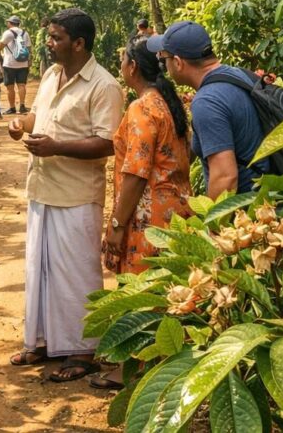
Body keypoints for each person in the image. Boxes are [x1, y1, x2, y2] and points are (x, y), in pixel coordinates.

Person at [7, 8, 125, 382]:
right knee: (39, 269)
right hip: (42, 187)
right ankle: (43, 341)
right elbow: (36, 117)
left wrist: (57, 146)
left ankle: (82, 349)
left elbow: (108, 143)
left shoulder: (104, 86)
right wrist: (19, 124)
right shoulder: (51, 76)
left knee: (75, 274)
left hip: (76, 194)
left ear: (79, 43)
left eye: (56, 37)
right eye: (49, 36)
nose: (49, 43)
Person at [92, 35, 192, 390]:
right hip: (177, 211)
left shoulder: (141, 109)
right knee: (169, 289)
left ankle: (133, 368)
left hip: (148, 214)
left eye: (122, 61)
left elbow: (135, 171)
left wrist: (117, 225)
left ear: (132, 67)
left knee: (139, 288)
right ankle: (166, 362)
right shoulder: (169, 103)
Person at [149, 21, 264, 199]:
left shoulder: (207, 102)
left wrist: (211, 224)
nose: (164, 67)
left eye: (164, 60)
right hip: (270, 198)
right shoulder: (239, 75)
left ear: (178, 62)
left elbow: (225, 177)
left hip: (248, 213)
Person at [0, 15, 32, 115]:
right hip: (23, 63)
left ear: (10, 23)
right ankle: (22, 106)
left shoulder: (8, 33)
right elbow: (29, 49)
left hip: (9, 63)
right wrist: (29, 61)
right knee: (22, 85)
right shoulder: (25, 33)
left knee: (10, 87)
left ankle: (12, 108)